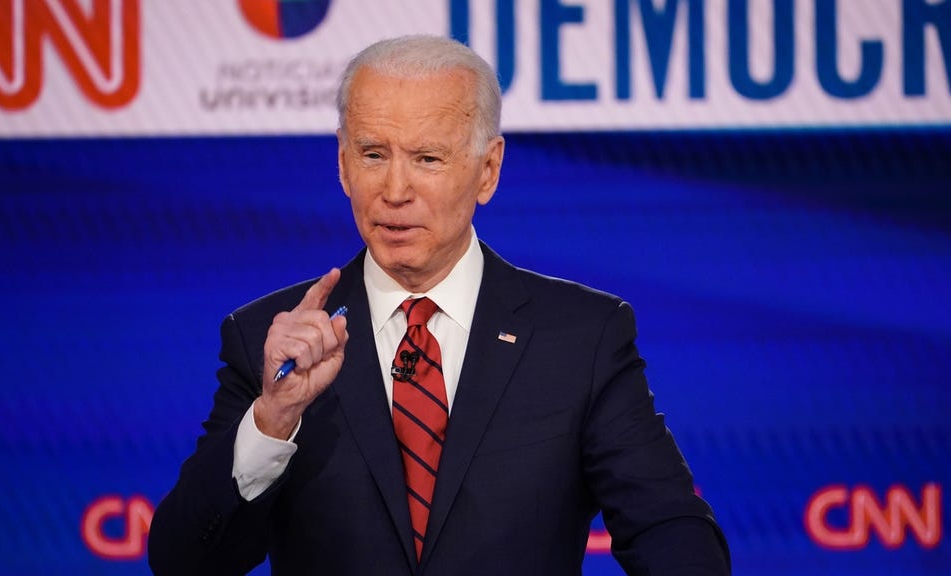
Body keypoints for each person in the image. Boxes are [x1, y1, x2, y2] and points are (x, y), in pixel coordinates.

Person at [148, 34, 730, 575]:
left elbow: (669, 529)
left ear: (489, 170)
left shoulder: (582, 337)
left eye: (427, 158)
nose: (395, 190)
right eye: (373, 154)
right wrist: (273, 421)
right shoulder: (269, 342)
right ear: (342, 164)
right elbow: (183, 561)